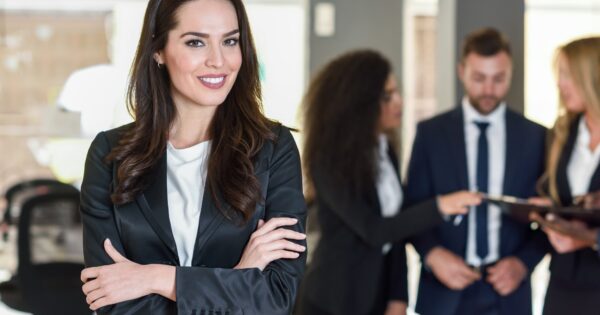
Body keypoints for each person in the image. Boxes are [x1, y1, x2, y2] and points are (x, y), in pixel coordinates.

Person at [78, 0, 307, 314]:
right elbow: (109, 300)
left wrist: (157, 278)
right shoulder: (110, 154)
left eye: (230, 41)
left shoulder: (273, 149)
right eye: (196, 42)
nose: (218, 60)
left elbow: (277, 297)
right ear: (158, 51)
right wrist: (238, 277)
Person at [296, 49, 481, 315]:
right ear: (360, 103)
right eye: (387, 96)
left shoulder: (384, 150)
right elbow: (375, 230)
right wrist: (440, 206)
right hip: (332, 301)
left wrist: (398, 298)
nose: (399, 102)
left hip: (377, 299)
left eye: (396, 92)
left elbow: (397, 231)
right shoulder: (328, 161)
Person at [405, 27, 547, 315]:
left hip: (509, 293)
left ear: (511, 72)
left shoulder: (536, 137)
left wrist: (523, 264)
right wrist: (432, 255)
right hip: (442, 291)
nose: (488, 90)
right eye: (479, 78)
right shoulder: (430, 133)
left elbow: (548, 214)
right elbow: (412, 208)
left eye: (498, 79)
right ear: (462, 71)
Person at [529, 36, 600, 315]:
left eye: (567, 74)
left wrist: (589, 238)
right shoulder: (561, 133)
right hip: (563, 284)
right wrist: (551, 213)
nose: (560, 83)